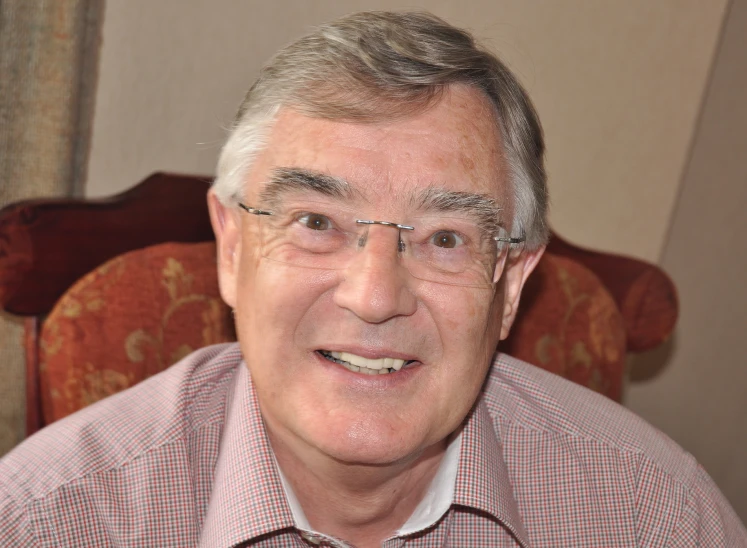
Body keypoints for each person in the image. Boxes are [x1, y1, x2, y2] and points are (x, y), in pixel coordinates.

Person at [1, 10, 745, 548]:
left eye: (446, 238)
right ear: (231, 249)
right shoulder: (46, 521)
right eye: (317, 223)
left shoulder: (653, 516)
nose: (374, 296)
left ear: (511, 281)